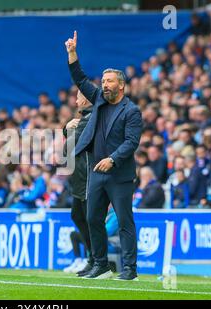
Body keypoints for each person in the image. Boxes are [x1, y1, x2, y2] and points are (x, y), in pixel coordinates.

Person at [65, 31, 143, 280]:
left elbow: (132, 142)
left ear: (121, 85)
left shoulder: (132, 111)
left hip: (119, 173)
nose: (104, 84)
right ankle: (100, 264)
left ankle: (130, 269)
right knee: (92, 218)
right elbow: (79, 78)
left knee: (124, 221)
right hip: (97, 172)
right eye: (103, 80)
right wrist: (72, 54)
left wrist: (113, 159)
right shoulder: (98, 98)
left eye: (109, 81)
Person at [63, 90, 93, 276]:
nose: (75, 100)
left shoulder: (90, 119)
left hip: (88, 178)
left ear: (86, 99)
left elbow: (72, 147)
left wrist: (68, 130)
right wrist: (67, 129)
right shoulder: (82, 119)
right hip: (79, 179)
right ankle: (94, 258)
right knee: (78, 216)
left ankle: (97, 259)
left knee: (90, 220)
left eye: (77, 96)